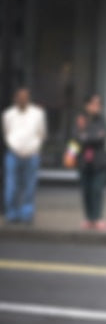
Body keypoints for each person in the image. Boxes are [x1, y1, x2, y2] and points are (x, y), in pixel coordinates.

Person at [3, 87, 46, 225]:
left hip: (32, 154)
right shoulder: (8, 115)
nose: (22, 99)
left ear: (28, 98)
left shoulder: (37, 114)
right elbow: (6, 133)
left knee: (29, 186)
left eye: (25, 97)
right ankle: (12, 213)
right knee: (12, 186)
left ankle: (27, 213)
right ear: (15, 98)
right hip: (13, 154)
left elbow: (41, 133)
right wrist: (14, 145)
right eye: (20, 97)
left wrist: (34, 147)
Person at [74, 94, 106, 230]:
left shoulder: (103, 120)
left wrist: (87, 136)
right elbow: (76, 137)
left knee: (97, 189)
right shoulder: (81, 119)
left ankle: (98, 217)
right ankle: (89, 218)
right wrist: (90, 136)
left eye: (99, 104)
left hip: (99, 161)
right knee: (86, 191)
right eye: (94, 103)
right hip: (84, 161)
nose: (97, 107)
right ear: (87, 105)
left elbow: (102, 137)